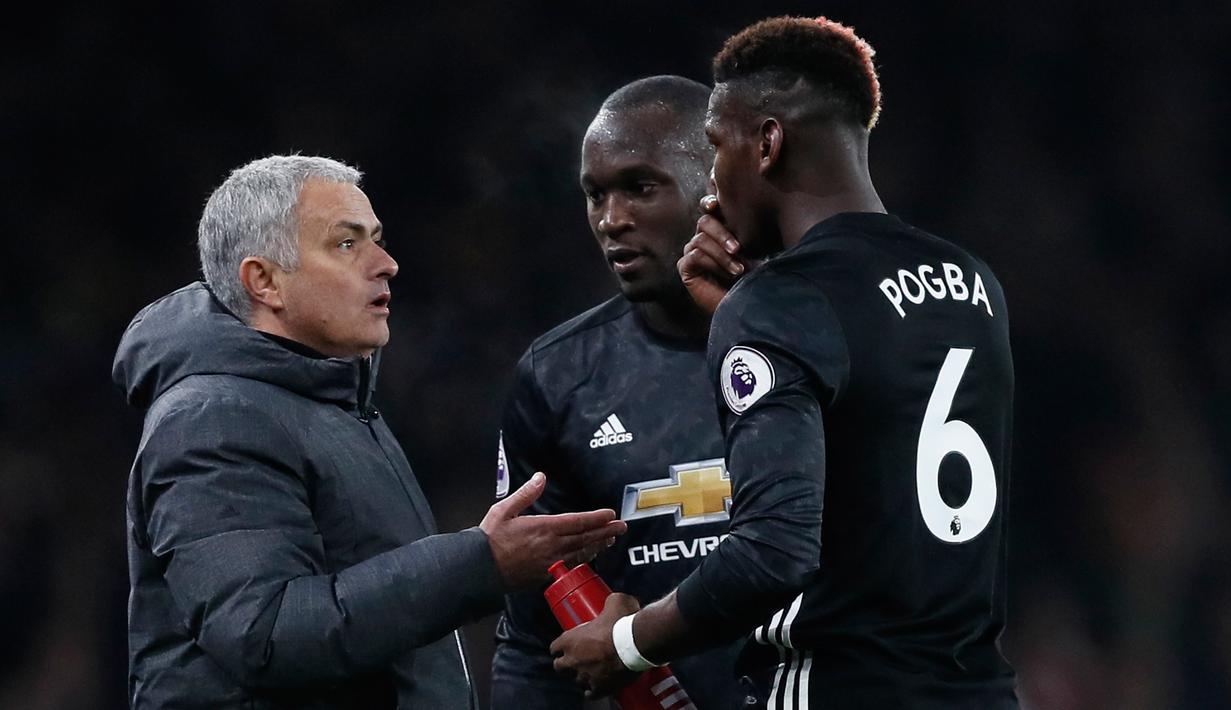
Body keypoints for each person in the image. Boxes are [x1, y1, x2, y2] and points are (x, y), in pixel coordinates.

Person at [551, 17, 1019, 709]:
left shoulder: (780, 303)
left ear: (766, 143)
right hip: (975, 690)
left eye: (715, 147)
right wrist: (738, 316)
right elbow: (873, 437)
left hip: (839, 686)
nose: (710, 183)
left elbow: (772, 554)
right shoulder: (969, 280)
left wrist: (625, 644)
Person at [112, 155, 626, 709]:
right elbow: (265, 633)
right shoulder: (212, 418)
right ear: (264, 281)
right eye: (346, 244)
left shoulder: (333, 403)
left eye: (376, 239)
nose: (387, 264)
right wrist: (480, 563)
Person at [490, 76, 748, 709]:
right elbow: (531, 640)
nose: (611, 220)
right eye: (594, 194)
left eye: (639, 187)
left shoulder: (819, 336)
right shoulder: (558, 376)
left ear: (715, 184)